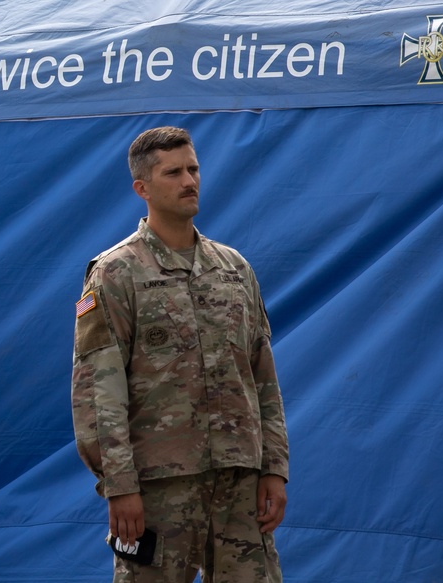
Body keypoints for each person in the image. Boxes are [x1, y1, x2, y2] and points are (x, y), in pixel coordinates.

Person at [71, 127, 290, 582]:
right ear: (142, 188)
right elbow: (98, 390)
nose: (189, 181)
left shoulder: (233, 268)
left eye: (193, 168)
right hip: (158, 488)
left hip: (238, 483)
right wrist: (119, 486)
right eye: (173, 172)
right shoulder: (115, 273)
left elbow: (262, 376)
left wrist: (274, 469)